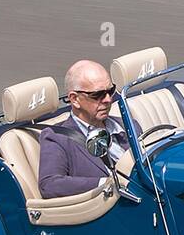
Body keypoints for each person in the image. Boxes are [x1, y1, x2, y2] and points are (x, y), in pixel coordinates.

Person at [36, 60, 138, 199]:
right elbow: (49, 185)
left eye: (110, 91)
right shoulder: (57, 138)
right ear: (75, 99)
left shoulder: (128, 125)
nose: (108, 99)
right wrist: (107, 183)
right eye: (98, 95)